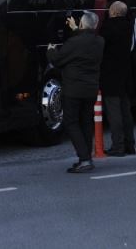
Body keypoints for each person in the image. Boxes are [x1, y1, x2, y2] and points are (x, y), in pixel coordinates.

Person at [47, 11, 104, 173]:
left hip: (73, 89)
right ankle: (86, 157)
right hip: (91, 89)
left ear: (82, 24)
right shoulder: (100, 41)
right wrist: (76, 29)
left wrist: (50, 50)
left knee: (71, 122)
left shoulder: (73, 43)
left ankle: (84, 159)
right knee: (86, 122)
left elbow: (57, 60)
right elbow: (84, 41)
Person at [99, 1, 135, 156]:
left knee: (114, 113)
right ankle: (130, 144)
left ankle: (118, 146)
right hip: (125, 74)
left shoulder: (108, 28)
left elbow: (100, 47)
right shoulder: (128, 25)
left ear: (112, 12)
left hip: (110, 75)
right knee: (125, 111)